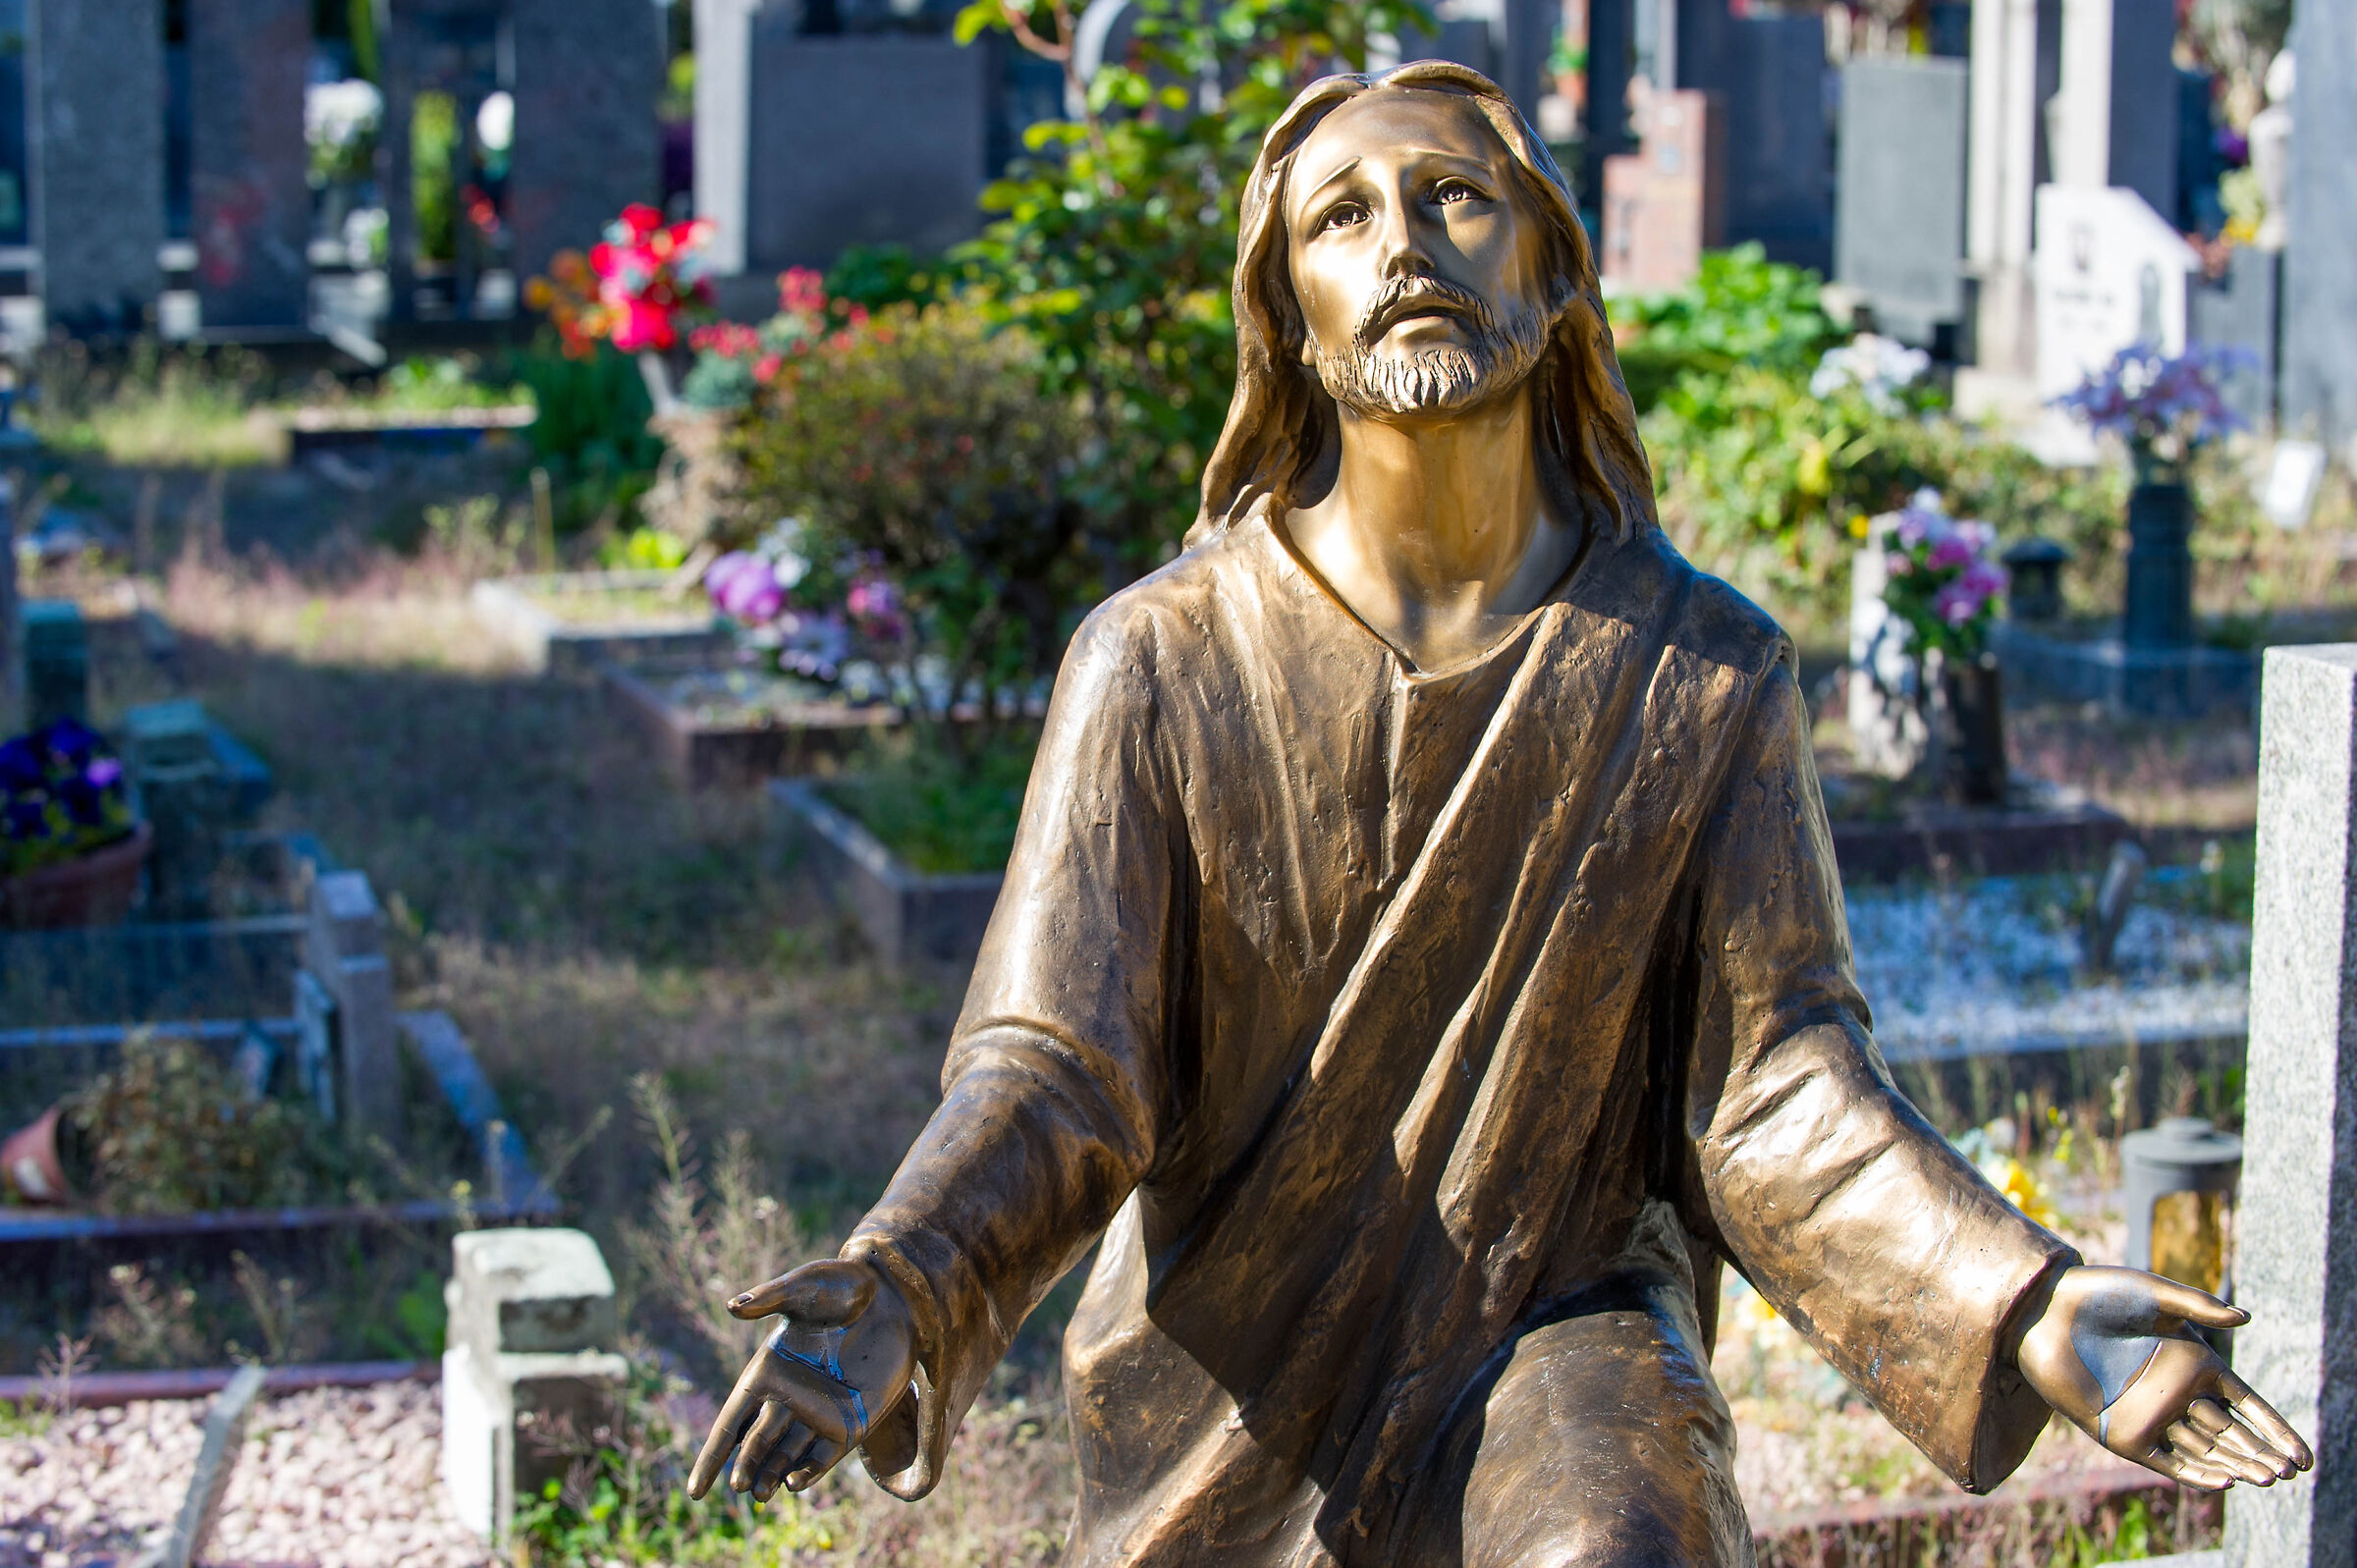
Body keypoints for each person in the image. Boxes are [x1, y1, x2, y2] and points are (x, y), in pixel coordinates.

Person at [688, 62, 2311, 1566]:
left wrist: (2019, 1301)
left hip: (1563, 1312)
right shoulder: (1159, 659)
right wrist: (907, 1270)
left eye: (1457, 198)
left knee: (1618, 1541)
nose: (1404, 242)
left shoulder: (1702, 672)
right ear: (1288, 316)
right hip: (1227, 1368)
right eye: (1343, 216)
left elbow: (1777, 1087)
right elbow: (1059, 1062)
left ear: (1550, 270)